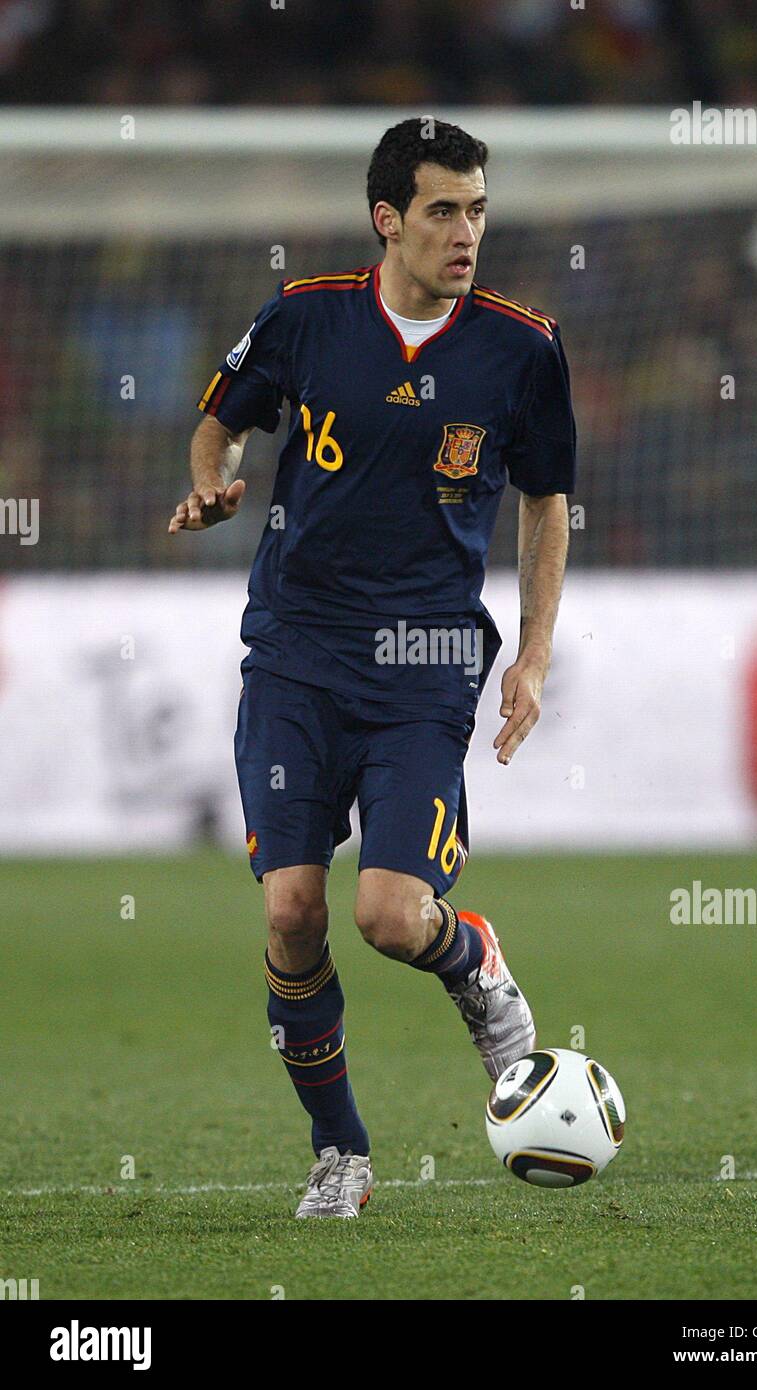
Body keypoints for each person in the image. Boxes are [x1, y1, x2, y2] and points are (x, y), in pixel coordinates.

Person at [169, 117, 575, 1218]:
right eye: (444, 210)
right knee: (294, 909)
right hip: (297, 652)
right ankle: (340, 1151)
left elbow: (546, 502)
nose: (467, 232)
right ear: (387, 219)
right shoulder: (304, 318)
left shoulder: (521, 348)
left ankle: (473, 960)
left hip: (427, 660)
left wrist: (532, 655)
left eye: (479, 209)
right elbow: (219, 426)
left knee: (391, 914)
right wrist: (213, 483)